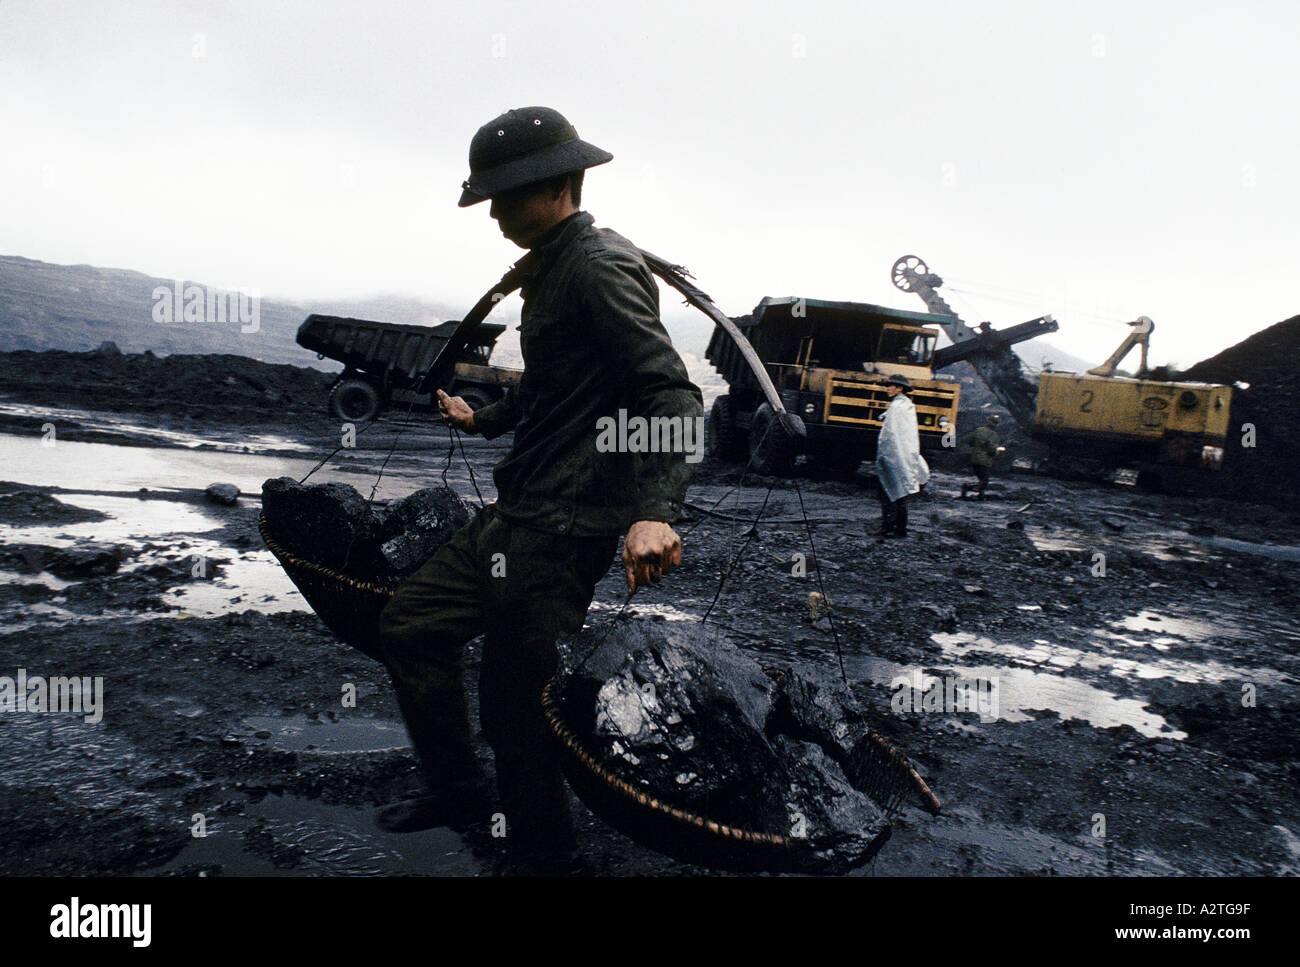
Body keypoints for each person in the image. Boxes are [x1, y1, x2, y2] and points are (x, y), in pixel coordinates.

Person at [375, 106, 704, 874]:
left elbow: (672, 399)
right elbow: (552, 389)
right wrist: (480, 417)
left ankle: (544, 855)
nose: (492, 212)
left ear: (559, 184)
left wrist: (655, 511)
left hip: (565, 526)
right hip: (519, 511)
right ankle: (459, 790)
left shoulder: (597, 266)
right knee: (410, 625)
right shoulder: (551, 268)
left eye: (507, 195)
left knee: (517, 700)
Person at [873, 373, 929, 538]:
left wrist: (885, 455)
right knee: (899, 492)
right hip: (901, 455)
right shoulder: (904, 406)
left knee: (889, 492)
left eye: (891, 386)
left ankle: (890, 528)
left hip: (895, 455)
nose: (887, 388)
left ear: (899, 389)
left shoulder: (899, 407)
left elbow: (893, 434)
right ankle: (899, 529)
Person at [960, 414, 1001, 500]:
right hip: (984, 460)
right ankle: (968, 488)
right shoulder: (993, 435)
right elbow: (991, 449)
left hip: (974, 458)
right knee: (984, 480)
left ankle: (979, 494)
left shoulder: (978, 430)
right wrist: (996, 452)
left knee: (981, 478)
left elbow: (970, 442)